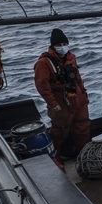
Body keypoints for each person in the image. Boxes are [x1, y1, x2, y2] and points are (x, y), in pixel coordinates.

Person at [34, 28, 90, 159]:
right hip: (60, 102)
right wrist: (53, 103)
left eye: (64, 44)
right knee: (60, 131)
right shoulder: (43, 63)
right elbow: (42, 85)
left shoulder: (71, 58)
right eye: (59, 45)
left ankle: (86, 155)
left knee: (83, 126)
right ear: (53, 46)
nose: (62, 47)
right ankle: (55, 158)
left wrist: (84, 95)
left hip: (78, 99)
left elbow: (78, 78)